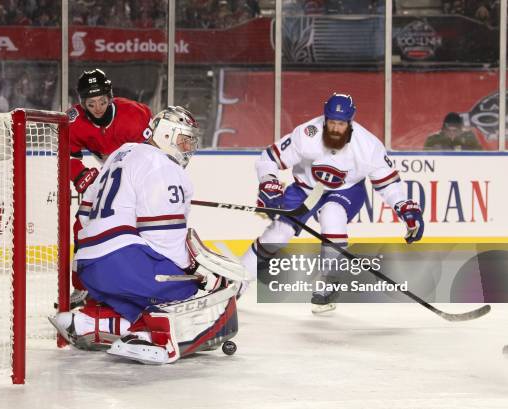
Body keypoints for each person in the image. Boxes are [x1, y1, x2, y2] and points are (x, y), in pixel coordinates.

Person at [50, 106, 242, 364]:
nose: (187, 147)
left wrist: (81, 277)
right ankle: (149, 338)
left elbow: (83, 218)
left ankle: (89, 322)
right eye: (184, 139)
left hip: (90, 268)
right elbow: (164, 239)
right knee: (190, 292)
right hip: (121, 264)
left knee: (142, 302)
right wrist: (193, 273)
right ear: (166, 135)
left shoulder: (119, 154)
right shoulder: (163, 165)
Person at [240, 93, 424, 313]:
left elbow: (388, 184)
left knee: (332, 214)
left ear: (350, 122)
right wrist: (268, 182)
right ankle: (236, 282)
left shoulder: (368, 146)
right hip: (305, 189)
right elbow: (268, 159)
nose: (335, 128)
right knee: (278, 233)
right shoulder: (307, 133)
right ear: (325, 119)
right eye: (331, 122)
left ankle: (330, 281)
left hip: (347, 190)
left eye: (341, 123)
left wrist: (404, 207)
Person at [66, 68, 152, 308]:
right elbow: (67, 155)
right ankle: (82, 287)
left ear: (110, 96)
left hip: (140, 175)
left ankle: (147, 283)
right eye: (91, 103)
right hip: (110, 176)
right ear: (83, 104)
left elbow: (154, 156)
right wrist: (80, 174)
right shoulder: (74, 121)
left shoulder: (134, 115)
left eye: (102, 101)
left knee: (143, 229)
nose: (98, 108)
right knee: (82, 224)